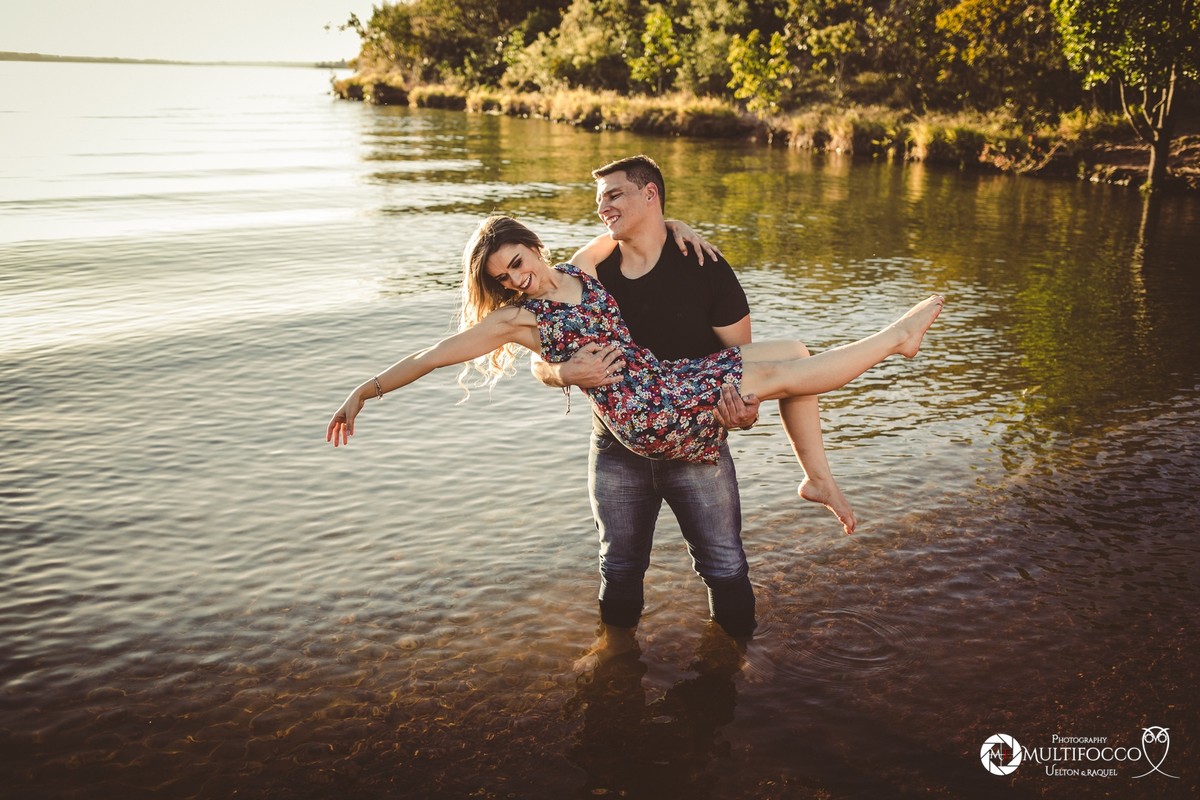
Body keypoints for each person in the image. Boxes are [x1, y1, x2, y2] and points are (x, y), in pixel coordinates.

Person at [325, 213, 945, 633]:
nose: (516, 279)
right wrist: (363, 391)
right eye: (504, 278)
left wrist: (676, 225)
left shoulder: (580, 268)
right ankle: (895, 340)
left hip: (664, 379)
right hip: (642, 413)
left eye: (516, 262)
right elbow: (431, 356)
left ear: (533, 245)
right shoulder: (519, 320)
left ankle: (817, 478)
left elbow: (631, 225)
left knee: (793, 352)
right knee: (782, 376)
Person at [531, 156, 854, 638]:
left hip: (698, 446)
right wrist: (560, 371)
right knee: (618, 567)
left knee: (725, 565)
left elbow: (745, 364)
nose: (602, 208)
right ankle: (614, 656)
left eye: (614, 195)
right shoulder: (591, 274)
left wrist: (743, 415)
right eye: (599, 199)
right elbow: (539, 352)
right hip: (617, 448)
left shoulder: (705, 266)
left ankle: (739, 658)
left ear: (650, 195)